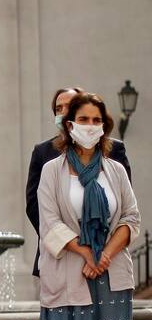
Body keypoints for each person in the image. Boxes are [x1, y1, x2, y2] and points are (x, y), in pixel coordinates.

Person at [25, 93, 139, 320]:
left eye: (96, 120)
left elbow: (130, 219)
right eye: (83, 119)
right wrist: (85, 251)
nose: (90, 126)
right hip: (70, 270)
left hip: (111, 272)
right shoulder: (51, 169)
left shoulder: (115, 170)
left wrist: (104, 255)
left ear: (103, 126)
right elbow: (49, 220)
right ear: (69, 125)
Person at [25, 87, 131, 276]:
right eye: (58, 108)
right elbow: (36, 207)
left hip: (109, 257)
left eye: (69, 106)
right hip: (63, 255)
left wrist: (100, 251)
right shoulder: (44, 153)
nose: (63, 111)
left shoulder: (114, 153)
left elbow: (125, 208)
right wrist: (74, 244)